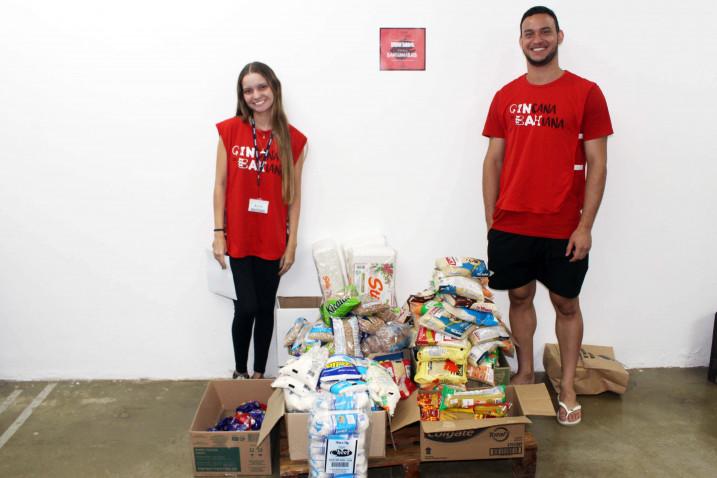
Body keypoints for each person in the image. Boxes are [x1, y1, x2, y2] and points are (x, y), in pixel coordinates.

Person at [482, 6, 613, 425]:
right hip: (512, 223)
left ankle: (569, 386)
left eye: (544, 31)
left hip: (563, 225)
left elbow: (598, 163)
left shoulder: (586, 93)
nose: (536, 39)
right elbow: (492, 161)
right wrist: (492, 219)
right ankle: (524, 371)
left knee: (566, 304)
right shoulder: (505, 96)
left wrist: (585, 226)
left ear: (560, 36)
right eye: (528, 33)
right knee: (519, 297)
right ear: (520, 41)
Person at [212, 62, 307, 379]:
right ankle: (239, 372)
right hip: (238, 236)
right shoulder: (230, 130)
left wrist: (292, 243)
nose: (256, 95)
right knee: (246, 306)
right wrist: (218, 233)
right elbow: (220, 185)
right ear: (242, 95)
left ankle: (257, 374)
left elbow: (293, 195)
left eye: (261, 87)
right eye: (248, 90)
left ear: (274, 88)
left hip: (272, 238)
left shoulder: (293, 140)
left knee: (265, 308)